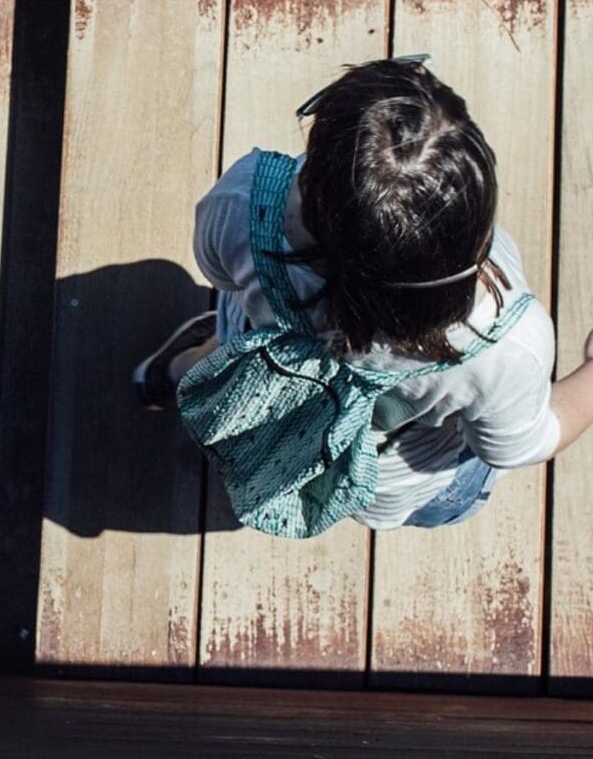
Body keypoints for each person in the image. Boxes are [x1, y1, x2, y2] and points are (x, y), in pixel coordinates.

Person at [134, 57, 593, 530]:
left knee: (227, 343)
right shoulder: (504, 348)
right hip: (382, 474)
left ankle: (164, 376)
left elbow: (221, 275)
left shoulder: (245, 200)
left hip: (256, 361)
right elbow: (521, 443)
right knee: (456, 490)